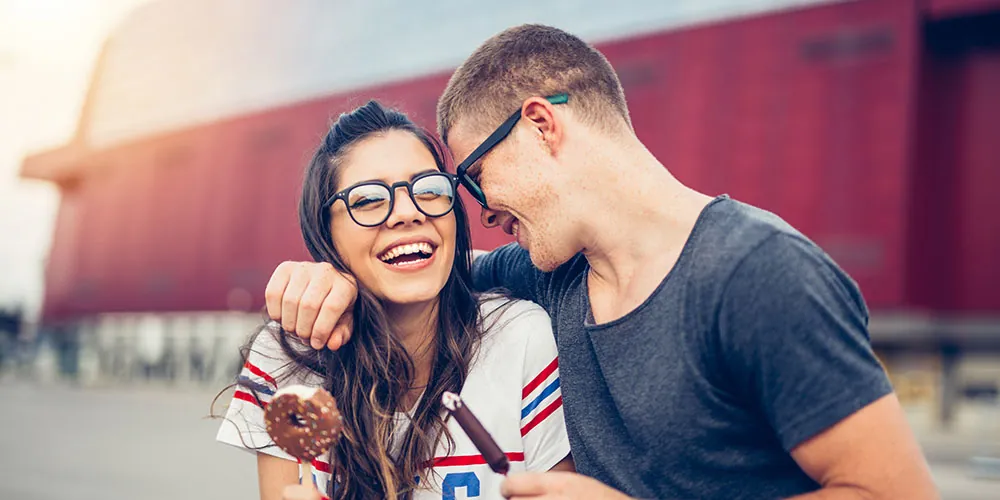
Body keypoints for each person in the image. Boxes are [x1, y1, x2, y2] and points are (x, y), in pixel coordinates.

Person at [263, 25, 938, 500]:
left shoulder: (757, 275)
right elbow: (422, 266)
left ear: (540, 125)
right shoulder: (550, 272)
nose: (481, 205)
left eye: (471, 174)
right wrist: (325, 276)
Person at [215, 101, 572, 500]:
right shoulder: (290, 354)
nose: (408, 213)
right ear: (324, 232)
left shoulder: (520, 338)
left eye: (431, 189)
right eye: (368, 200)